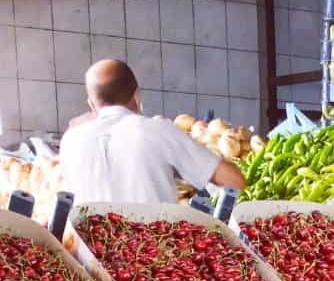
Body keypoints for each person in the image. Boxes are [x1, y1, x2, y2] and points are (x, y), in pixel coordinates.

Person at [59, 59, 244, 205]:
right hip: (151, 249)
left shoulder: (70, 140)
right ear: (137, 94)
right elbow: (234, 181)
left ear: (91, 104)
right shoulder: (157, 130)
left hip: (88, 249)